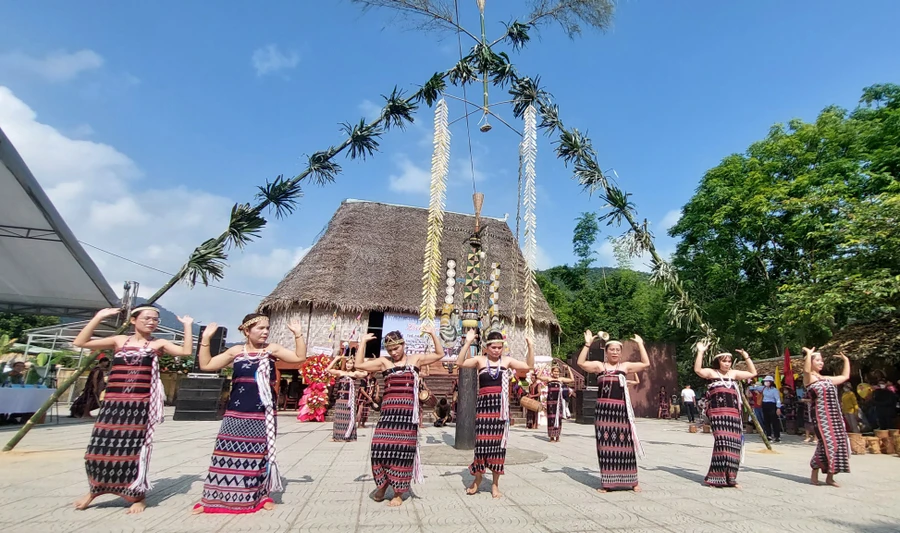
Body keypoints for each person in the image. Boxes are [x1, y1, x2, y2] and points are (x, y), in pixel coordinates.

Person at [71, 306, 193, 514]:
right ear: (134, 320)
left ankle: (137, 495)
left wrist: (188, 326)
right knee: (97, 451)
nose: (152, 322)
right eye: (147, 318)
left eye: (155, 319)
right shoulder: (119, 341)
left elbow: (186, 351)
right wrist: (98, 317)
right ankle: (94, 490)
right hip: (113, 404)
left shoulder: (158, 343)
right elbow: (80, 342)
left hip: (139, 405)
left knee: (134, 451)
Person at [192, 314, 307, 514]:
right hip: (235, 412)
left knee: (258, 454)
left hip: (262, 413)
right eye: (260, 328)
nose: (265, 332)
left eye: (267, 328)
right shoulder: (236, 351)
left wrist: (298, 335)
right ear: (247, 331)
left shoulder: (272, 350)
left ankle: (261, 496)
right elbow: (207, 365)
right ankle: (214, 497)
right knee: (226, 452)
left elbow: (299, 358)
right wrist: (206, 340)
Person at [355, 325, 444, 507]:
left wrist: (433, 334)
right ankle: (382, 484)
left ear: (403, 344)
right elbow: (358, 365)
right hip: (388, 414)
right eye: (390, 350)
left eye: (396, 348)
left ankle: (398, 492)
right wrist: (362, 342)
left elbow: (439, 354)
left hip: (407, 415)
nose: (394, 352)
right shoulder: (383, 362)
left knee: (402, 454)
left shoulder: (416, 359)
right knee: (379, 449)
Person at [457, 329, 534, 498]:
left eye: (500, 347)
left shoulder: (506, 361)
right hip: (484, 409)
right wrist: (468, 341)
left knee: (498, 448)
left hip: (500, 411)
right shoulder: (479, 360)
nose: (497, 350)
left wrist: (530, 346)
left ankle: (495, 484)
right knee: (481, 445)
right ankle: (477, 480)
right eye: (494, 347)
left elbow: (528, 366)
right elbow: (460, 363)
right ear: (486, 347)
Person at [577, 330, 649, 493]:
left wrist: (640, 344)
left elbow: (645, 363)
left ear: (620, 352)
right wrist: (588, 344)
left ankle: (632, 481)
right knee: (605, 445)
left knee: (626, 444)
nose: (615, 352)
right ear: (606, 351)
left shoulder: (624, 366)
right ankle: (608, 483)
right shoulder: (599, 366)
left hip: (621, 410)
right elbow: (581, 363)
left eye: (617, 350)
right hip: (603, 411)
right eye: (612, 349)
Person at [693, 343, 757, 488]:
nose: (727, 364)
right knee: (722, 443)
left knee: (734, 446)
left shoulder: (734, 374)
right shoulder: (712, 373)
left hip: (733, 414)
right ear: (718, 362)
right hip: (717, 414)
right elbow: (697, 369)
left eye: (729, 361)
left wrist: (746, 357)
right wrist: (701, 352)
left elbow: (753, 373)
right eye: (724, 361)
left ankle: (731, 478)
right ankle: (716, 478)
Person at [802, 347, 851, 487]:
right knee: (826, 444)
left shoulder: (826, 378)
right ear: (810, 362)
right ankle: (814, 472)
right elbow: (805, 370)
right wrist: (809, 354)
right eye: (817, 360)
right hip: (821, 417)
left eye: (821, 360)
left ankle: (830, 477)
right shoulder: (809, 378)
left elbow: (844, 377)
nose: (821, 362)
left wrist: (846, 360)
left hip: (835, 417)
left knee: (839, 444)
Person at [328, 356, 368, 442]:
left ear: (353, 365)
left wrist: (362, 362)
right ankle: (337, 436)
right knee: (339, 417)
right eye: (347, 363)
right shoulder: (340, 373)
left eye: (351, 363)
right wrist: (336, 359)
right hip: (340, 398)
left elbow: (365, 373)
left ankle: (348, 435)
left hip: (350, 398)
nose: (348, 365)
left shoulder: (355, 374)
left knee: (349, 417)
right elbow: (328, 369)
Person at [536, 364, 575, 442]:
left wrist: (569, 369)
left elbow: (572, 379)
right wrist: (543, 367)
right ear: (552, 372)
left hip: (558, 402)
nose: (556, 373)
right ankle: (551, 437)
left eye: (557, 372)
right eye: (555, 371)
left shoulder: (560, 379)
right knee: (551, 418)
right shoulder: (549, 379)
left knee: (558, 418)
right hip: (550, 401)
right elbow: (538, 376)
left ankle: (557, 436)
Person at [751, 376, 782, 442]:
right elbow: (752, 388)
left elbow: (778, 399)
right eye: (765, 381)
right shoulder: (763, 388)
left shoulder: (774, 390)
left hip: (772, 405)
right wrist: (754, 387)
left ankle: (777, 436)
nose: (766, 382)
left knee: (774, 421)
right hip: (765, 405)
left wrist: (778, 408)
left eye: (767, 381)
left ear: (771, 382)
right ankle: (768, 435)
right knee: (766, 421)